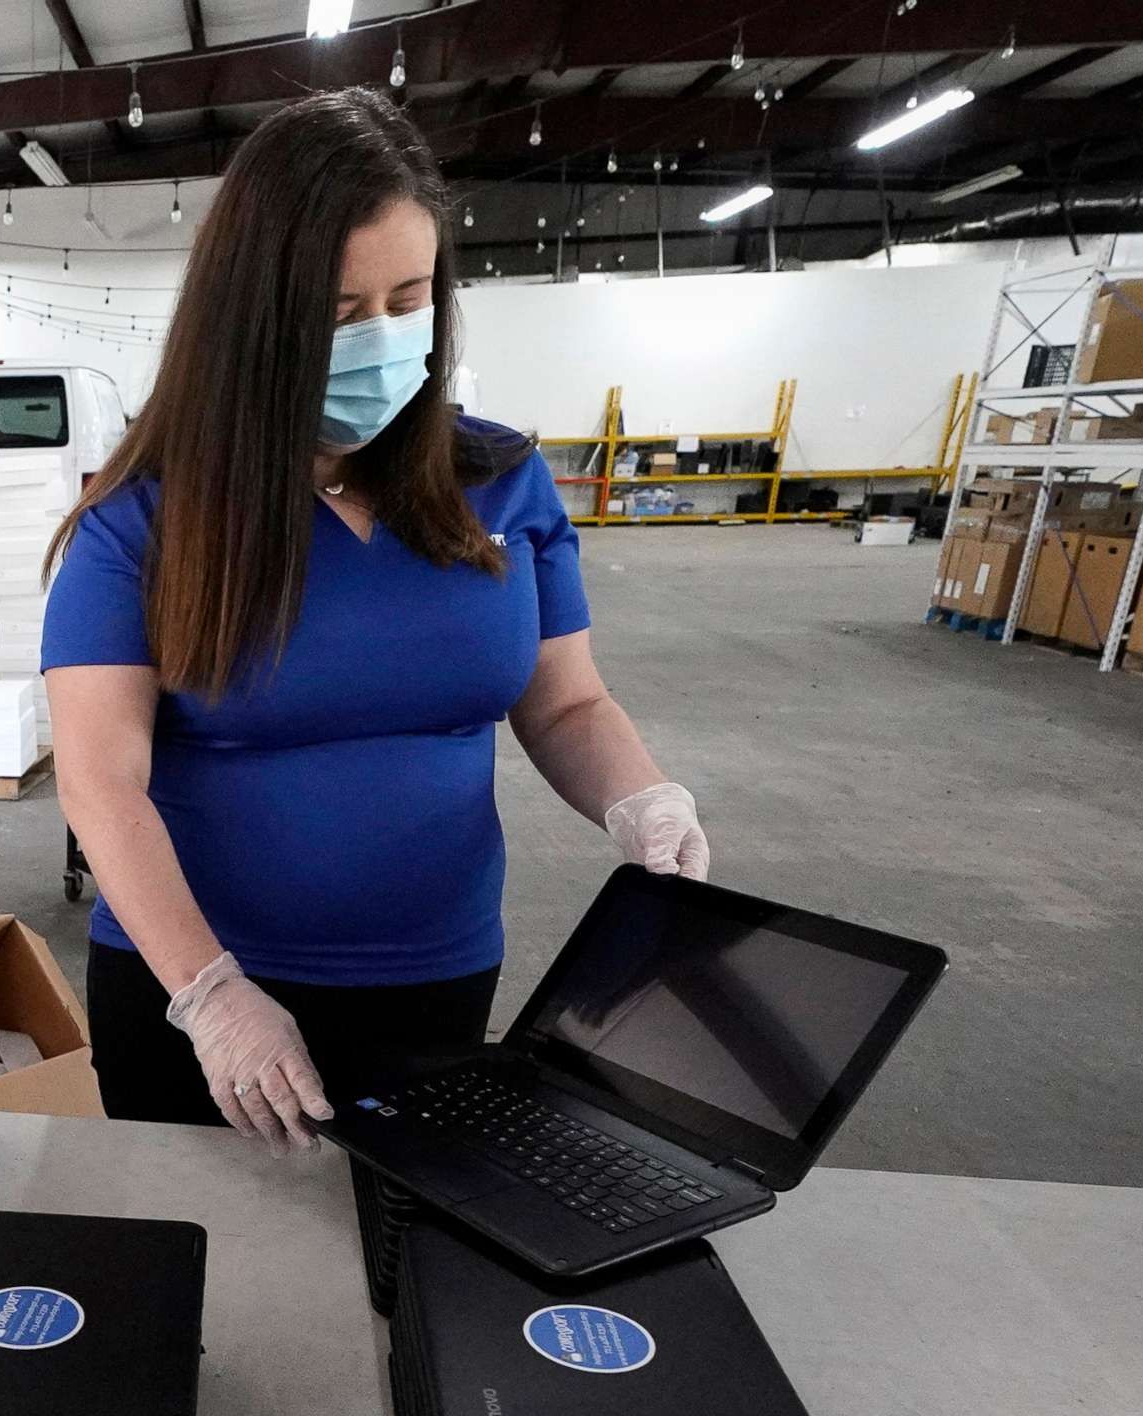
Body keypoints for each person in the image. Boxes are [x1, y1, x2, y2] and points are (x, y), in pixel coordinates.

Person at [42, 89, 709, 1150]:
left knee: (397, 1258)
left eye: (410, 299)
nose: (386, 339)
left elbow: (568, 702)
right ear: (252, 317)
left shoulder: (501, 481)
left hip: (433, 974)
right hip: (196, 990)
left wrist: (641, 799)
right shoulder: (143, 524)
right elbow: (98, 775)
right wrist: (211, 994)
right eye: (344, 312)